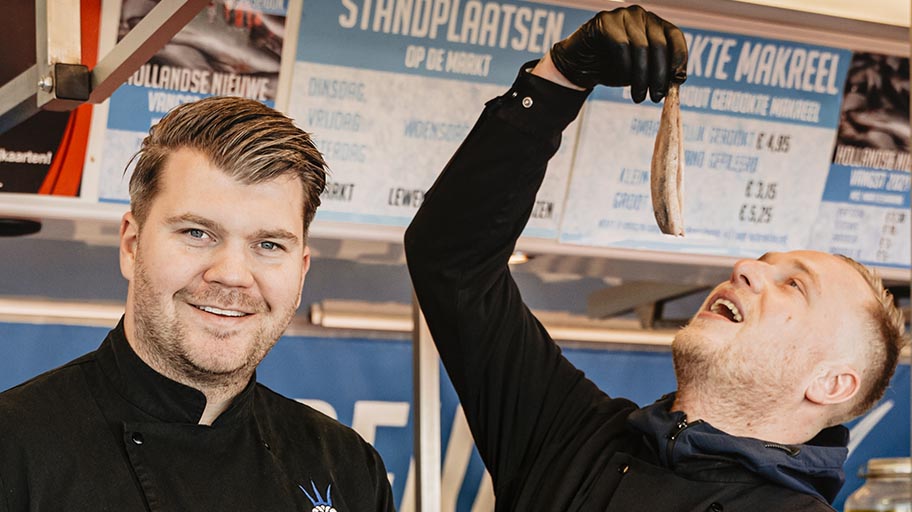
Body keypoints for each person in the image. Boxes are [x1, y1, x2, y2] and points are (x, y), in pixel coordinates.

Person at [404, 6, 908, 511]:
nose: (746, 269)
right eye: (763, 261)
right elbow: (452, 258)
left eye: (795, 286)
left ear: (831, 384)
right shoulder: (572, 436)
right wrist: (561, 77)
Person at [0, 97, 394, 511]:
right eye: (197, 233)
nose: (233, 274)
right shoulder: (14, 449)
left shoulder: (348, 467)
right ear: (132, 245)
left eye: (269, 244)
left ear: (302, 269)